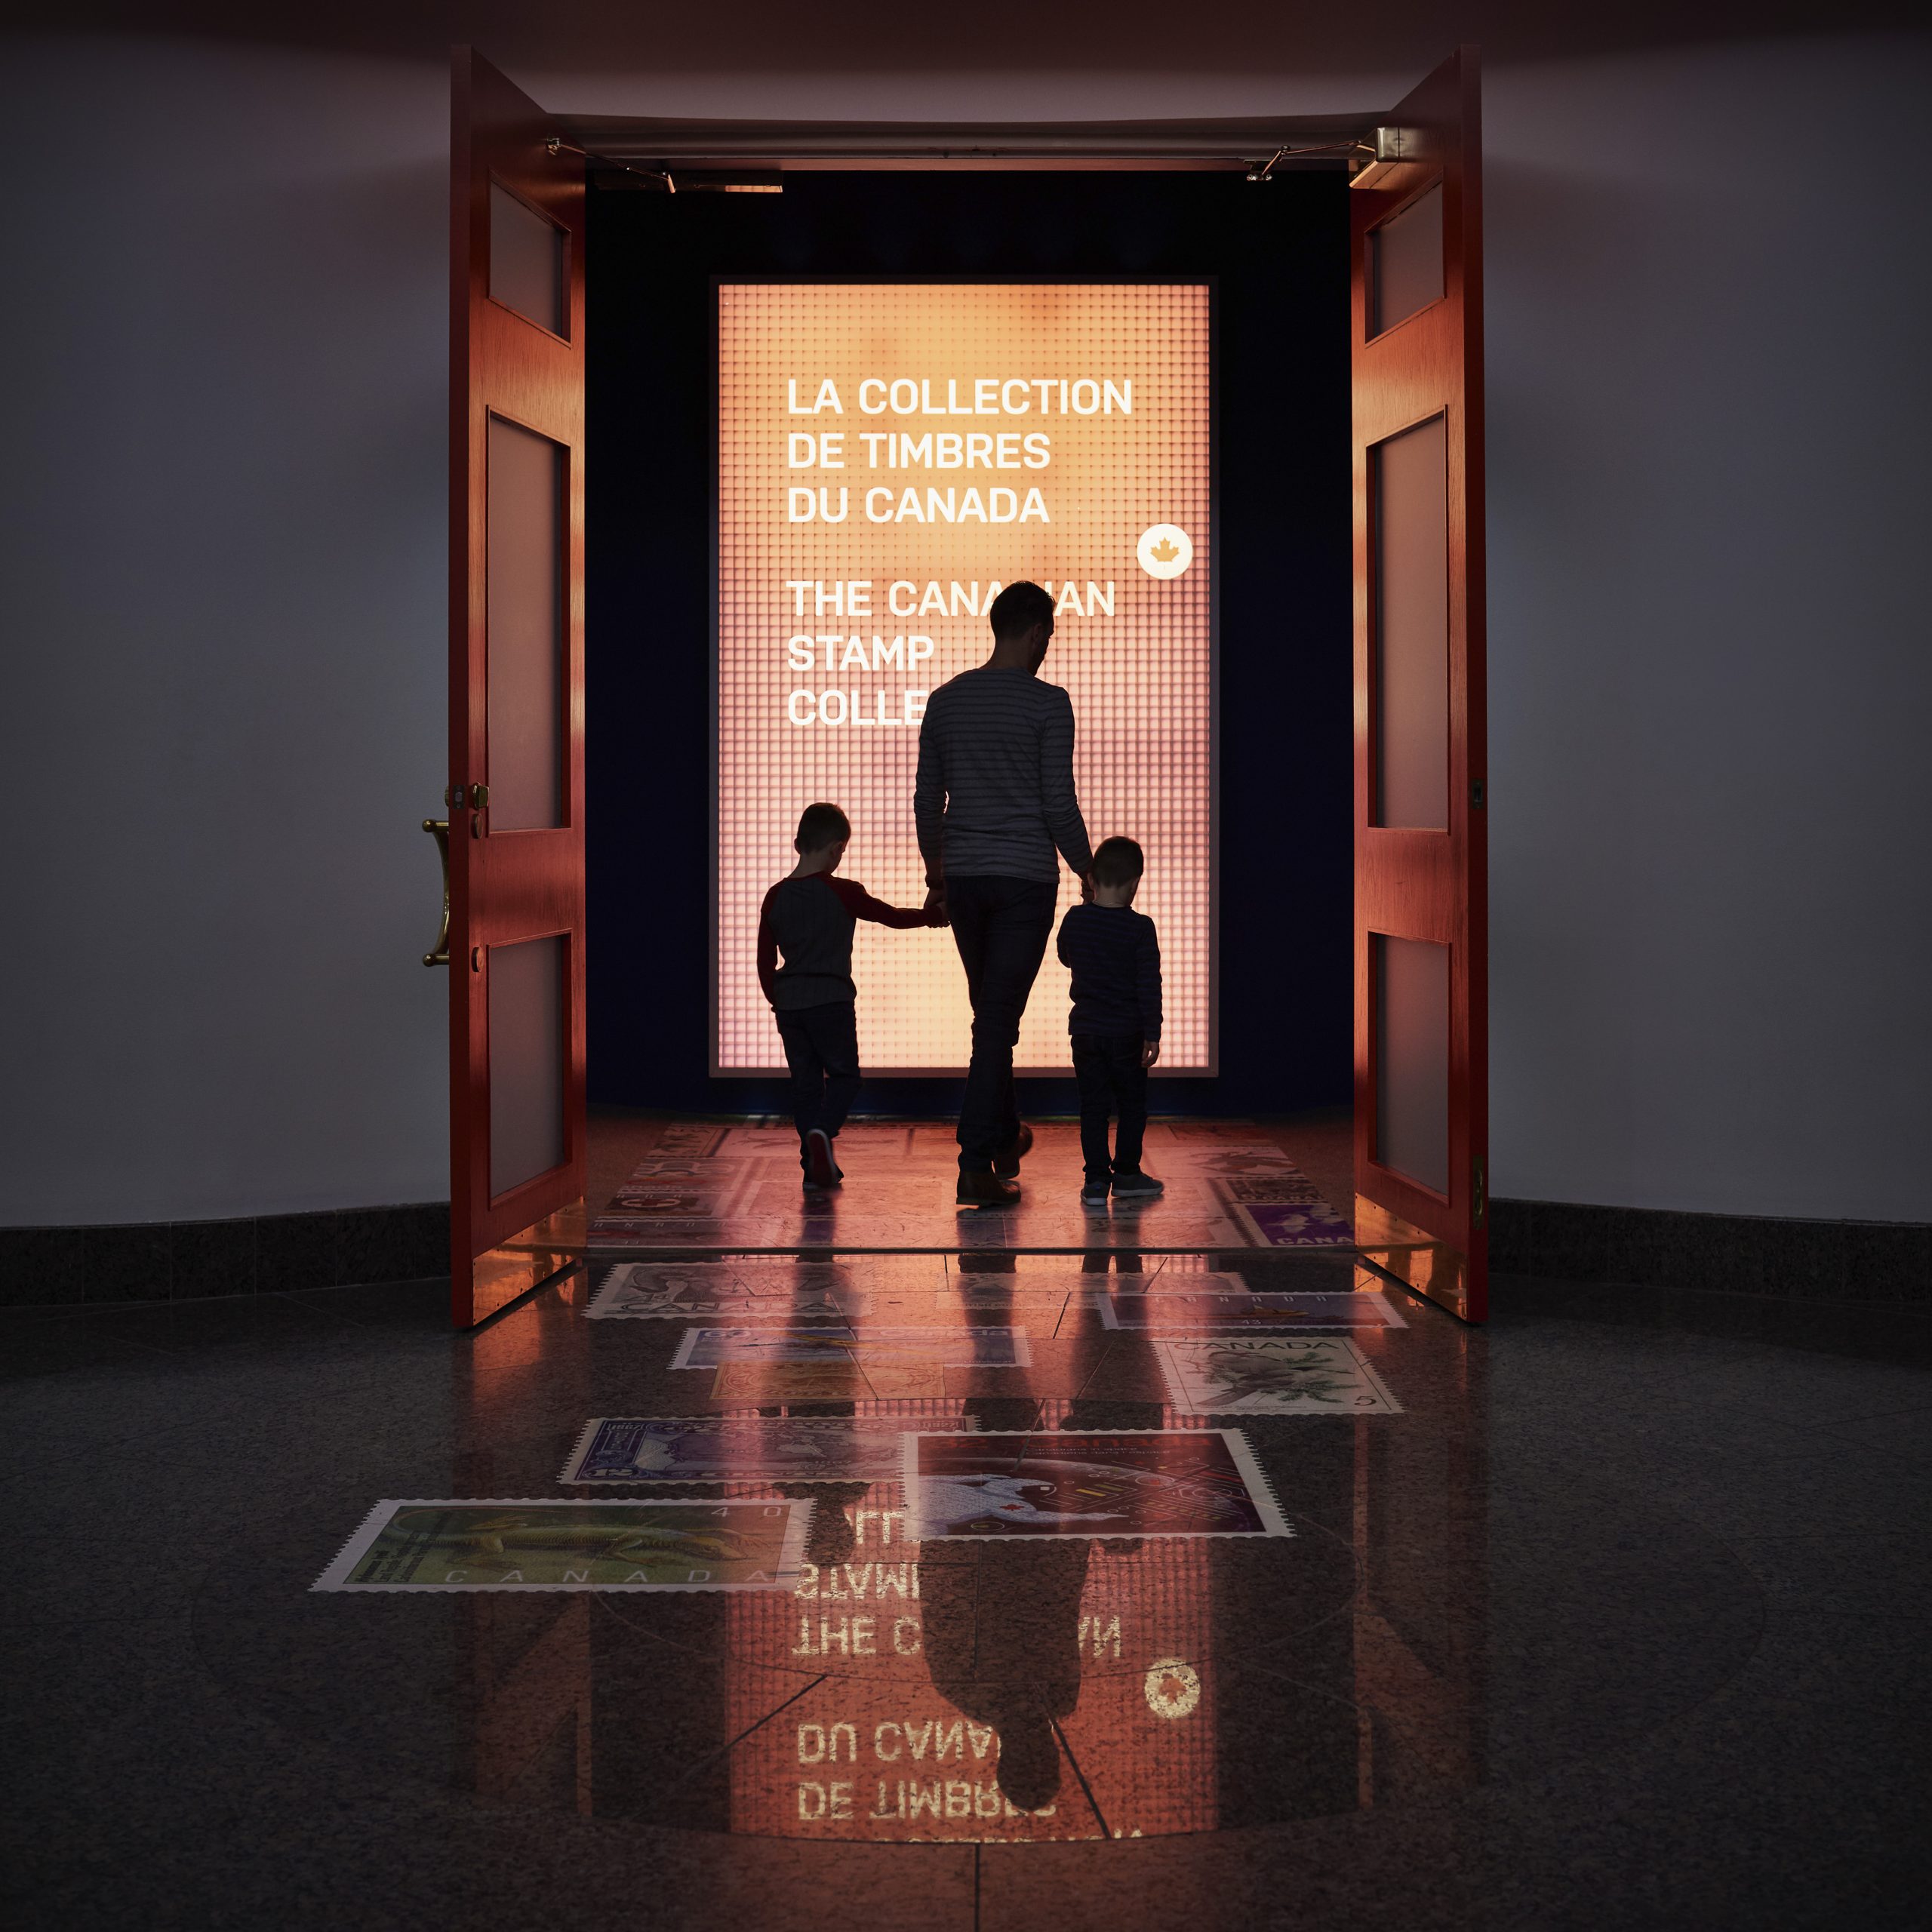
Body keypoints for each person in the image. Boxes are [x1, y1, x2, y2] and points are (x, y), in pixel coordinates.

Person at [914, 580, 1094, 1207]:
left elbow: (926, 802)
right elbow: (1057, 803)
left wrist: (936, 876)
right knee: (996, 1020)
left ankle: (1000, 1139)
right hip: (1024, 881)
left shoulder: (944, 700)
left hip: (964, 878)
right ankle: (972, 1163)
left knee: (992, 1013)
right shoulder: (1049, 703)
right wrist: (1088, 869)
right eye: (1050, 636)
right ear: (1039, 632)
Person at [757, 801, 945, 1190]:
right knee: (845, 1078)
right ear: (837, 849)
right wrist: (931, 916)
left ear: (797, 844)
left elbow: (764, 960)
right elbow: (890, 916)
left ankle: (813, 1167)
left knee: (806, 1084)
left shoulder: (774, 896)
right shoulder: (844, 892)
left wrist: (777, 997)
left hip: (790, 1005)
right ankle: (822, 1135)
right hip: (832, 1001)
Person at [1055, 835, 1164, 1206]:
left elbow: (1066, 958)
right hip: (1127, 1032)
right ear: (1135, 883)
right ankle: (1128, 1174)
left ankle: (1097, 1182)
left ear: (1090, 880)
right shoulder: (1140, 928)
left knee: (1093, 1106)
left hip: (1085, 1030)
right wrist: (1153, 1031)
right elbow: (1149, 984)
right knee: (1132, 1105)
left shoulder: (1075, 919)